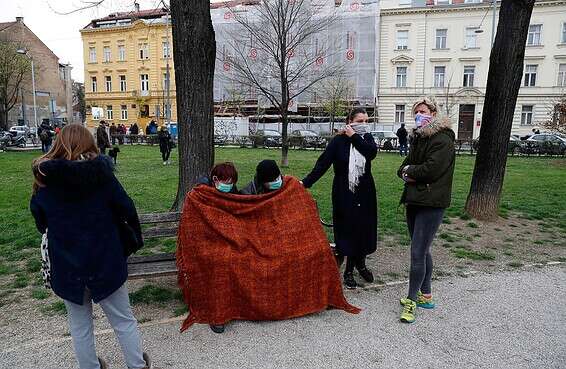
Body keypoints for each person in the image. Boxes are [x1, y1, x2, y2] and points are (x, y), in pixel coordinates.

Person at [29, 124, 152, 369]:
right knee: (123, 320)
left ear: (58, 144)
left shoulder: (45, 182)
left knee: (80, 325)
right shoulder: (103, 177)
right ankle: (137, 366)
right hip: (105, 260)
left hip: (67, 264)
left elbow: (41, 222)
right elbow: (127, 208)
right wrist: (130, 240)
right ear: (89, 144)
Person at [302, 107, 378, 289]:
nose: (363, 125)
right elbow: (323, 164)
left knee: (363, 228)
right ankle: (349, 270)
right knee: (348, 228)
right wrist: (305, 183)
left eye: (366, 121)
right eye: (359, 121)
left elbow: (371, 153)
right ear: (349, 121)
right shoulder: (338, 141)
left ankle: (360, 264)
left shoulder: (366, 138)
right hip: (344, 190)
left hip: (365, 189)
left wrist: (355, 136)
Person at [397, 96, 455, 324]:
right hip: (415, 200)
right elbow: (402, 168)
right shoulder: (419, 138)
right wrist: (408, 171)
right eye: (416, 112)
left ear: (433, 112)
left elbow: (431, 170)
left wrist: (410, 172)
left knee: (417, 253)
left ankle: (412, 300)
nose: (418, 115)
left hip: (432, 202)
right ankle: (426, 295)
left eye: (422, 111)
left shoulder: (442, 139)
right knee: (422, 249)